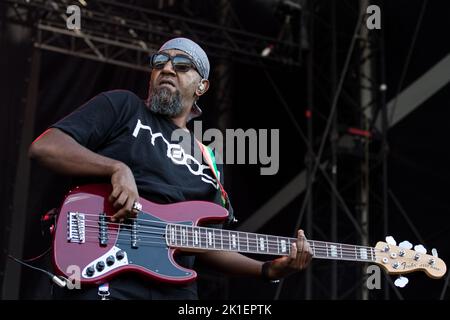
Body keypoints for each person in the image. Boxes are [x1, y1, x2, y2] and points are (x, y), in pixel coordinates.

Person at [28, 37, 313, 300]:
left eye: (181, 65)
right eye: (159, 62)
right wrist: (116, 168)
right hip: (106, 278)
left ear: (202, 86)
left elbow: (205, 245)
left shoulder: (208, 161)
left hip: (176, 292)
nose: (167, 69)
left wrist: (266, 271)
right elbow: (46, 147)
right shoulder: (124, 107)